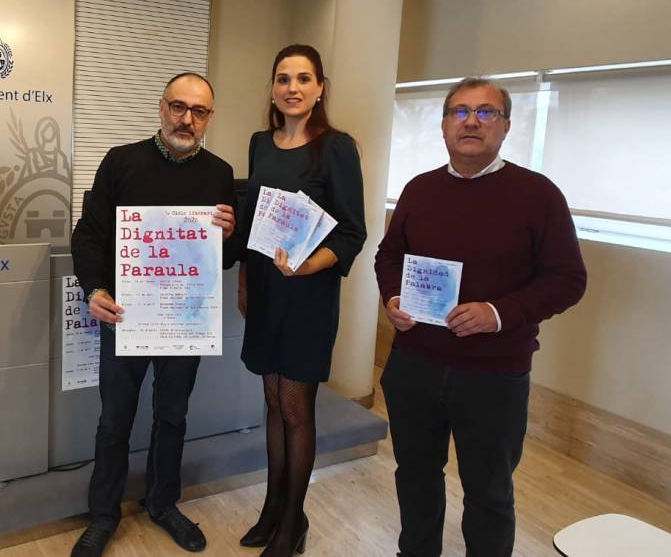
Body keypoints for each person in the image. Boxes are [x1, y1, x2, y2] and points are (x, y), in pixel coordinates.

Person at [374, 77, 587, 556]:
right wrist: (392, 299)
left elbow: (568, 279)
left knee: (489, 494)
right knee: (416, 479)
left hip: (494, 375)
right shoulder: (419, 190)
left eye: (486, 112)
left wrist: (497, 313)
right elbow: (389, 257)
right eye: (460, 111)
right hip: (415, 366)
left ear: (506, 126)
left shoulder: (538, 195)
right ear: (444, 125)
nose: (472, 121)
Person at [69, 72, 238, 557]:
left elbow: (222, 261)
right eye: (178, 107)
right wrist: (94, 287)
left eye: (199, 111)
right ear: (161, 107)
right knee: (114, 419)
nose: (187, 119)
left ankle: (163, 503)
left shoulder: (220, 172)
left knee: (173, 415)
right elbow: (89, 236)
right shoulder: (121, 162)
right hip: (127, 315)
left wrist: (228, 236)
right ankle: (104, 515)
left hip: (184, 320)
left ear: (209, 118)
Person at [236, 44, 367, 557]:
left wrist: (310, 264)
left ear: (320, 89)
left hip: (308, 293)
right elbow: (250, 225)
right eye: (284, 78)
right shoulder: (258, 144)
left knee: (295, 407)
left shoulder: (335, 147)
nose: (293, 87)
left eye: (304, 79)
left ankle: (294, 520)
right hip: (267, 291)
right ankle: (272, 509)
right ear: (273, 87)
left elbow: (353, 232)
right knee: (270, 401)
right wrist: (247, 283)